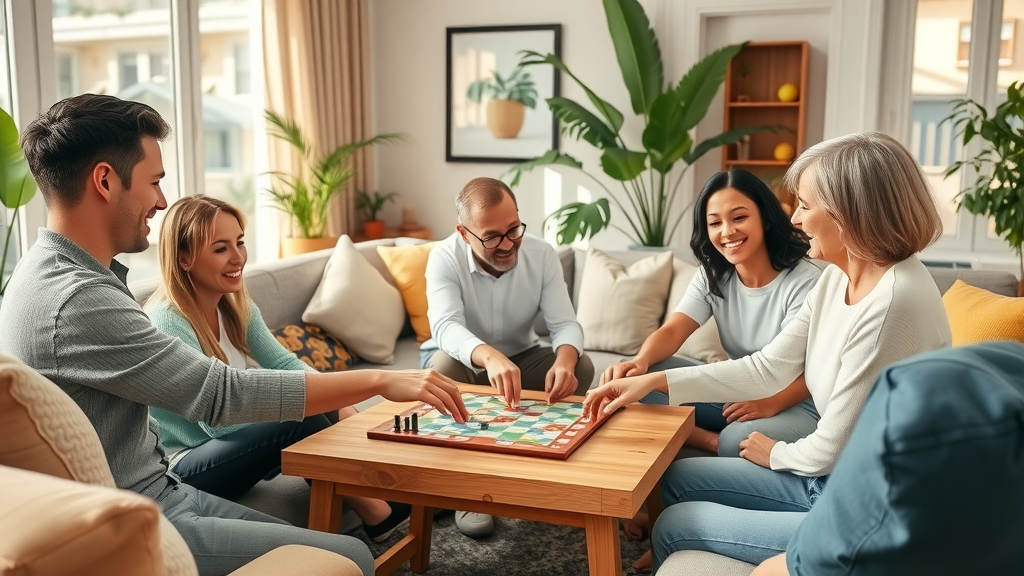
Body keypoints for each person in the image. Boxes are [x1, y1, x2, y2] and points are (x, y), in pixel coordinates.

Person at [0, 94, 469, 576]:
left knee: (333, 548)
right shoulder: (76, 300)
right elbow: (221, 396)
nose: (161, 201)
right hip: (133, 517)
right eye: (154, 183)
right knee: (346, 558)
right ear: (104, 180)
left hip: (161, 491)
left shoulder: (48, 275)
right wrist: (377, 382)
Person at [583, 132, 952, 573]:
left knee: (673, 525)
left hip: (863, 507)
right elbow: (769, 366)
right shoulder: (840, 277)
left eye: (806, 206)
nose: (794, 219)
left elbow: (829, 450)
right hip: (830, 480)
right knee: (679, 478)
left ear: (850, 212)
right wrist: (654, 378)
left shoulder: (892, 304)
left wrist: (773, 453)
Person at [146, 194, 409, 542]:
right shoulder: (167, 320)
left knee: (319, 404)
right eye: (220, 248)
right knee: (298, 414)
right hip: (185, 466)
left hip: (230, 445)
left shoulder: (235, 305)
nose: (238, 257)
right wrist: (292, 400)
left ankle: (387, 497)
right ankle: (379, 514)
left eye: (240, 242)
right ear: (184, 258)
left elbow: (284, 363)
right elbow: (214, 424)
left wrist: (341, 402)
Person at [600, 168, 822, 572]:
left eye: (739, 218)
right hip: (739, 384)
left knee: (738, 436)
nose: (727, 232)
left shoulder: (805, 280)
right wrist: (641, 362)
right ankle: (695, 447)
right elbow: (674, 329)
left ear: (765, 218)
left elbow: (816, 370)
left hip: (794, 398)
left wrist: (771, 403)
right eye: (715, 222)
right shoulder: (713, 273)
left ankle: (690, 527)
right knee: (643, 385)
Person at [752, 341, 1024, 576]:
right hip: (843, 479)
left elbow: (790, 567)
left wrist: (775, 452)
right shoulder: (1009, 364)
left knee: (707, 520)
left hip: (856, 490)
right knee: (708, 485)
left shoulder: (909, 407)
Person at [420, 176, 594, 537]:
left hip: (524, 358)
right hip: (462, 364)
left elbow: (565, 324)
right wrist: (489, 356)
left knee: (582, 364)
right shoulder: (443, 258)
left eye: (513, 229)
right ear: (464, 232)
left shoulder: (542, 254)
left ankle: (537, 469)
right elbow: (446, 327)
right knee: (442, 367)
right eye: (492, 236)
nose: (507, 244)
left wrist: (564, 361)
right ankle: (465, 490)